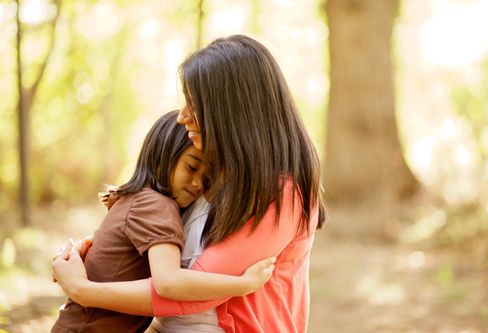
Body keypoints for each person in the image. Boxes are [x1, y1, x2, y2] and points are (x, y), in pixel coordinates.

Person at [52, 34, 326, 333]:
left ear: (231, 113)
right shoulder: (208, 180)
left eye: (194, 105)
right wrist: (91, 254)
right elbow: (156, 250)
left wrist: (83, 288)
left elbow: (186, 293)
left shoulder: (282, 193)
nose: (182, 116)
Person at [51, 110, 275, 333]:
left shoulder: (136, 198)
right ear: (163, 153)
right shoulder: (158, 205)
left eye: (207, 178)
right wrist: (243, 285)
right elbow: (168, 281)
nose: (198, 183)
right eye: (191, 167)